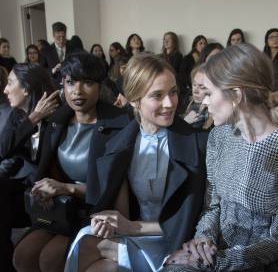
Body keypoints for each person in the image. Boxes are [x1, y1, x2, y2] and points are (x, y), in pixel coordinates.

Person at [162, 43, 278, 272]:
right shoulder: (219, 137)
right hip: (213, 255)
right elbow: (212, 207)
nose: (204, 103)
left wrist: (217, 262)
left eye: (209, 93)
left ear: (236, 95)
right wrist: (203, 241)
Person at [64, 53, 207, 272]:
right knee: (87, 243)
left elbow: (185, 222)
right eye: (157, 95)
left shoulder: (197, 144)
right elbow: (121, 214)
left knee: (94, 257)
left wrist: (130, 227)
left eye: (173, 92)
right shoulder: (121, 144)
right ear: (134, 100)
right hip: (137, 233)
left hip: (175, 240)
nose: (169, 103)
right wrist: (108, 222)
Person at [12, 53, 130, 272]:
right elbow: (44, 169)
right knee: (22, 256)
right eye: (70, 82)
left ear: (99, 86)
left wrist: (66, 189)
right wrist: (43, 190)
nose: (77, 91)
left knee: (50, 259)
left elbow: (113, 190)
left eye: (87, 82)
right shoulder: (57, 121)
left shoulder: (120, 124)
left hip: (97, 212)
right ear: (62, 85)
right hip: (60, 211)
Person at [0, 63, 59, 272]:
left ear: (26, 89)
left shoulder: (56, 115)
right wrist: (33, 118)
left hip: (50, 189)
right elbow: (3, 150)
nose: (5, 89)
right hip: (26, 188)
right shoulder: (18, 114)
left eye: (10, 83)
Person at [180, 64, 213, 131]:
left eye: (202, 87)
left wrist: (185, 124)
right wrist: (185, 122)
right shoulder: (187, 102)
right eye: (194, 85)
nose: (195, 91)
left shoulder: (220, 114)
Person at [41, 21, 74, 88]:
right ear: (53, 35)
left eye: (63, 37)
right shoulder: (46, 51)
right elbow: (42, 70)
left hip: (71, 85)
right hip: (53, 87)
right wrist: (53, 70)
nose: (61, 40)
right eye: (58, 37)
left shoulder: (74, 49)